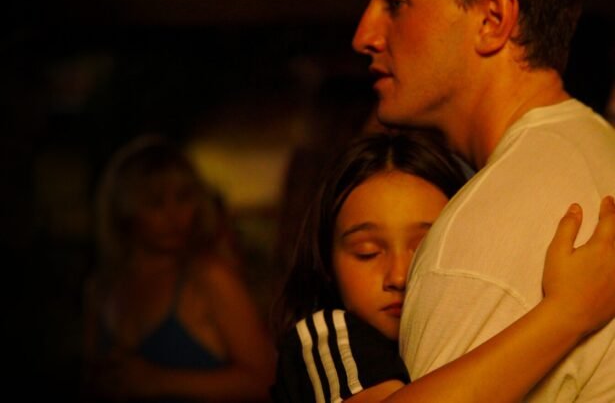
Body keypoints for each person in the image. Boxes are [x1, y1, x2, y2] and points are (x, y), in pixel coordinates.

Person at [351, 0, 615, 401]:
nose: (363, 36)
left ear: (493, 19)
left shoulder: (484, 228)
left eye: (397, 3)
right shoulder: (596, 146)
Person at [270, 132, 615, 402]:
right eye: (367, 252)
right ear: (327, 262)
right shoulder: (324, 335)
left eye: (424, 249)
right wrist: (567, 312)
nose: (399, 276)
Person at [82, 135, 276, 402]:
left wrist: (159, 380)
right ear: (123, 210)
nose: (175, 215)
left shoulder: (210, 278)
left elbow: (266, 380)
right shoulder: (102, 289)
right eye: (155, 202)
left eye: (184, 197)